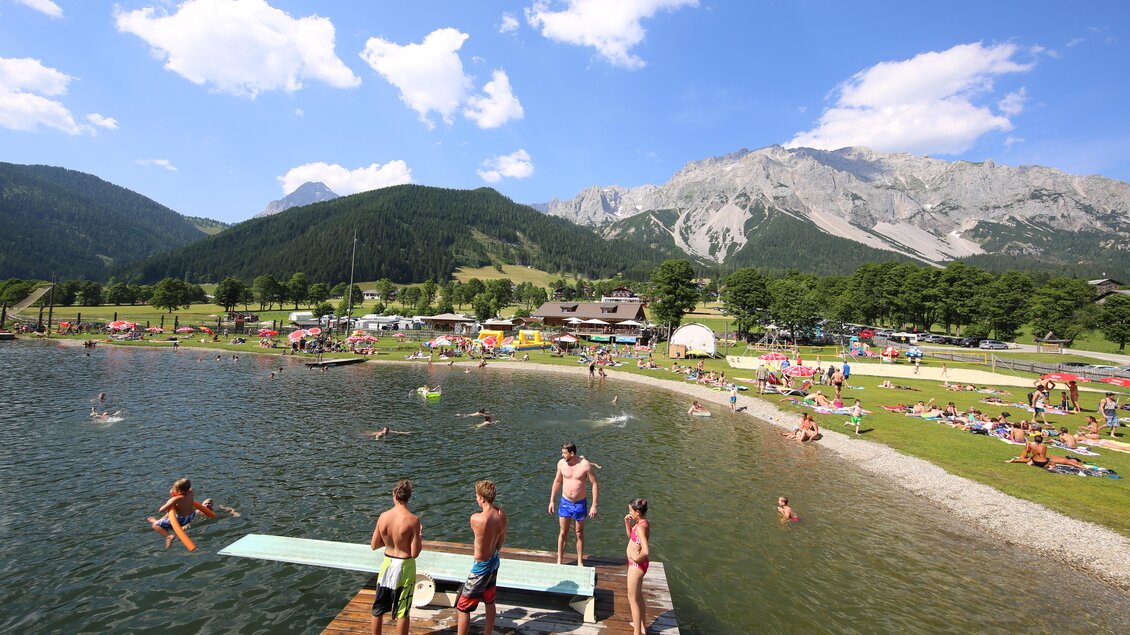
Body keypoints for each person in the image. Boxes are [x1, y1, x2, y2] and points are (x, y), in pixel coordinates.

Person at [369, 479, 422, 635]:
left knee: (378, 607)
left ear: (394, 495)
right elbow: (414, 553)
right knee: (402, 610)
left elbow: (374, 545)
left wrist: (388, 542)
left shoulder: (383, 517)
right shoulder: (413, 520)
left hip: (387, 562)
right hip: (405, 566)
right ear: (409, 497)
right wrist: (419, 536)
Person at [456, 480, 508, 635]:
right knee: (489, 600)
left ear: (483, 498)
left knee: (463, 607)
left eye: (477, 496)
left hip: (481, 566)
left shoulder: (476, 519)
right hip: (494, 560)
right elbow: (499, 544)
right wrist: (498, 508)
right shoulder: (502, 516)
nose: (476, 499)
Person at [548, 441, 599, 565]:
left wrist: (594, 505)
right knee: (563, 531)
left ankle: (580, 561)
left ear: (572, 453)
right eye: (562, 453)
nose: (562, 455)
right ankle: (559, 560)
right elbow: (557, 481)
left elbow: (594, 483)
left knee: (579, 533)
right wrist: (551, 501)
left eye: (564, 453)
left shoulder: (584, 465)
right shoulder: (561, 464)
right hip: (565, 502)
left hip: (580, 503)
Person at [147, 478, 211, 549]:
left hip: (181, 520)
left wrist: (170, 501)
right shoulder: (190, 492)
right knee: (169, 515)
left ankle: (168, 537)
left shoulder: (175, 499)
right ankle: (161, 521)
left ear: (179, 491)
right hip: (191, 515)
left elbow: (161, 510)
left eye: (173, 489)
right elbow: (185, 489)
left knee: (155, 525)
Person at [623, 498, 651, 635]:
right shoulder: (640, 523)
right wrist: (627, 523)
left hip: (636, 566)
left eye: (630, 511)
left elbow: (645, 551)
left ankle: (637, 632)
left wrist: (636, 559)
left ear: (638, 512)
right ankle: (642, 627)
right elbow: (631, 537)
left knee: (632, 598)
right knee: (638, 596)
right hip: (636, 564)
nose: (629, 512)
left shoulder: (640, 527)